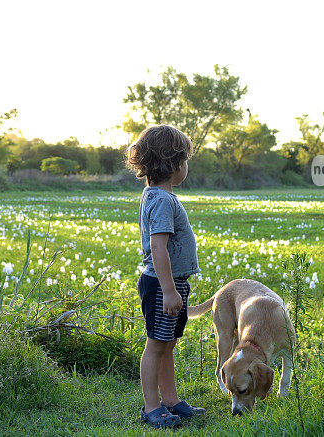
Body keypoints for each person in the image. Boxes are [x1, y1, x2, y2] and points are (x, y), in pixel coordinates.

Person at [125, 124, 205, 429]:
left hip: (170, 284)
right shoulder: (161, 200)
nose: (186, 166)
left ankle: (171, 401)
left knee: (167, 343)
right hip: (162, 285)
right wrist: (170, 290)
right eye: (185, 160)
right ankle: (151, 407)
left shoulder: (157, 196)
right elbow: (158, 247)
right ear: (174, 164)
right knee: (156, 344)